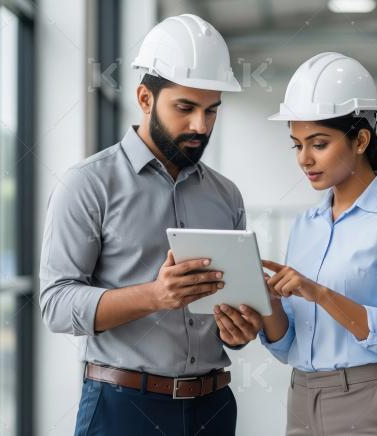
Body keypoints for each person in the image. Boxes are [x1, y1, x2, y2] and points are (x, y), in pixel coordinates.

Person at [39, 14, 264, 436]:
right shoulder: (88, 184)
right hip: (122, 409)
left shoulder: (226, 196)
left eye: (211, 111)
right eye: (185, 108)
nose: (200, 126)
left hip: (213, 408)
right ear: (145, 98)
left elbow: (229, 321)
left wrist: (239, 330)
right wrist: (155, 295)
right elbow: (56, 304)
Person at [258, 52, 377, 435]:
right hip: (302, 401)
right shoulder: (306, 225)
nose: (304, 159)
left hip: (372, 400)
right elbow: (288, 345)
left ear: (360, 140)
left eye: (318, 144)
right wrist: (265, 302)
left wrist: (321, 294)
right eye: (296, 145)